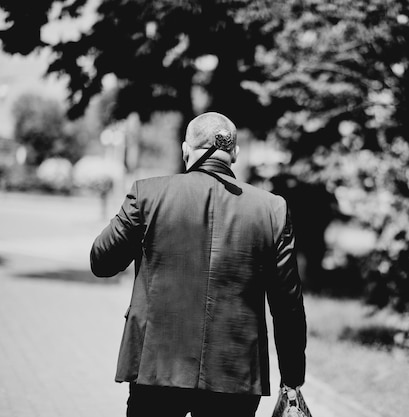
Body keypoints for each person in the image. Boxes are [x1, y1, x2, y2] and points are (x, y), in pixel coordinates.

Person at [90, 112, 307, 417]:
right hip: (235, 375)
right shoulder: (272, 209)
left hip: (156, 367)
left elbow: (102, 261)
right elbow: (288, 305)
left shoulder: (147, 194)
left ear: (185, 149)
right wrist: (292, 380)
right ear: (235, 154)